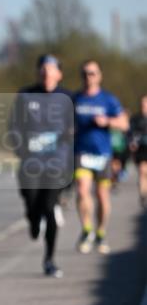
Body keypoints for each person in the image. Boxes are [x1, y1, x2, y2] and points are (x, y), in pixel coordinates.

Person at [10, 54, 74, 278]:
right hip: (30, 163)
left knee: (50, 208)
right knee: (31, 203)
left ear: (59, 73)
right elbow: (14, 125)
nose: (46, 74)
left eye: (51, 69)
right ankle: (33, 221)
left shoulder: (68, 97)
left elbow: (77, 126)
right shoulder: (26, 95)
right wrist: (20, 146)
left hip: (57, 164)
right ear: (38, 73)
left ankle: (49, 259)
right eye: (43, 70)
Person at [72, 61, 129, 253]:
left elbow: (124, 123)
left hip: (103, 154)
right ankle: (87, 230)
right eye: (85, 73)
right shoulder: (76, 99)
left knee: (102, 196)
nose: (89, 77)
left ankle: (101, 232)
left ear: (99, 76)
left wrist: (108, 121)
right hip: (82, 153)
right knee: (82, 190)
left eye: (92, 73)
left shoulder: (108, 99)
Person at [129, 94, 147, 210]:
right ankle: (143, 195)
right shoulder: (135, 118)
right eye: (143, 103)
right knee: (142, 171)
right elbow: (130, 133)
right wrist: (131, 143)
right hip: (141, 148)